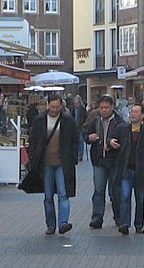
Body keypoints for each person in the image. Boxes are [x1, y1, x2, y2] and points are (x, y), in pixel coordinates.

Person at [26, 94, 81, 235]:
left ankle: (63, 223)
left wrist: (73, 157)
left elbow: (75, 139)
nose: (55, 110)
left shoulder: (68, 120)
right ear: (47, 105)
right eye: (52, 107)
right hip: (46, 164)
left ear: (61, 106)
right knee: (48, 196)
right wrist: (33, 157)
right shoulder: (39, 120)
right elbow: (33, 140)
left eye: (58, 107)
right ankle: (51, 225)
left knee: (63, 194)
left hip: (63, 163)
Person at [109, 102, 144, 235]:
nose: (133, 114)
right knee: (125, 196)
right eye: (132, 111)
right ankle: (125, 223)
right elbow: (112, 140)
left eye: (136, 112)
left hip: (141, 170)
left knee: (140, 198)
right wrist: (110, 142)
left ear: (142, 115)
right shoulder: (122, 128)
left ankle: (139, 224)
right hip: (125, 169)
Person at [83, 94, 122, 228]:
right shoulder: (95, 120)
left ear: (112, 107)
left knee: (115, 190)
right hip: (98, 160)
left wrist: (112, 142)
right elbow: (85, 135)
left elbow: (123, 139)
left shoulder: (119, 122)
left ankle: (119, 217)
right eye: (101, 108)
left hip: (113, 161)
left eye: (106, 107)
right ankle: (97, 218)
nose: (104, 110)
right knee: (99, 190)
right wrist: (89, 137)